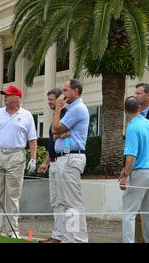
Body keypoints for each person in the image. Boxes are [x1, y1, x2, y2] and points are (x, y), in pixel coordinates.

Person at [0, 85, 37, 238]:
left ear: (17, 98)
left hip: (16, 156)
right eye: (4, 95)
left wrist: (33, 158)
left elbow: (32, 139)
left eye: (8, 95)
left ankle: (13, 231)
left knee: (13, 195)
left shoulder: (26, 115)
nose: (4, 97)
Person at [51, 79, 89, 243]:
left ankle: (78, 239)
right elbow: (57, 135)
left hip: (72, 158)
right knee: (65, 201)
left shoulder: (77, 108)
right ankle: (68, 237)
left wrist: (58, 108)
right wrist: (62, 134)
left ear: (76, 91)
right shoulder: (71, 109)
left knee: (72, 202)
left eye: (66, 90)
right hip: (66, 156)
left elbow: (56, 128)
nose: (62, 94)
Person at [38, 88, 67, 243]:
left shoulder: (66, 115)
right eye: (48, 99)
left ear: (59, 100)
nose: (49, 102)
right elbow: (53, 143)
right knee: (55, 202)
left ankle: (64, 236)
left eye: (52, 99)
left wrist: (61, 135)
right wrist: (45, 163)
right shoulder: (57, 116)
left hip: (64, 163)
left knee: (64, 202)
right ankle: (57, 235)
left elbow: (67, 141)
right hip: (54, 163)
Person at [119, 96, 149, 243]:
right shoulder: (148, 123)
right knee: (147, 212)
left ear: (125, 110)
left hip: (140, 172)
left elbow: (131, 156)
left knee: (129, 212)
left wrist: (125, 174)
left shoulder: (132, 127)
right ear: (140, 108)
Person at [134, 83, 149, 242]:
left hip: (146, 169)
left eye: (138, 93)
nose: (135, 96)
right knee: (138, 213)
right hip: (137, 169)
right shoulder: (135, 116)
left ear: (147, 96)